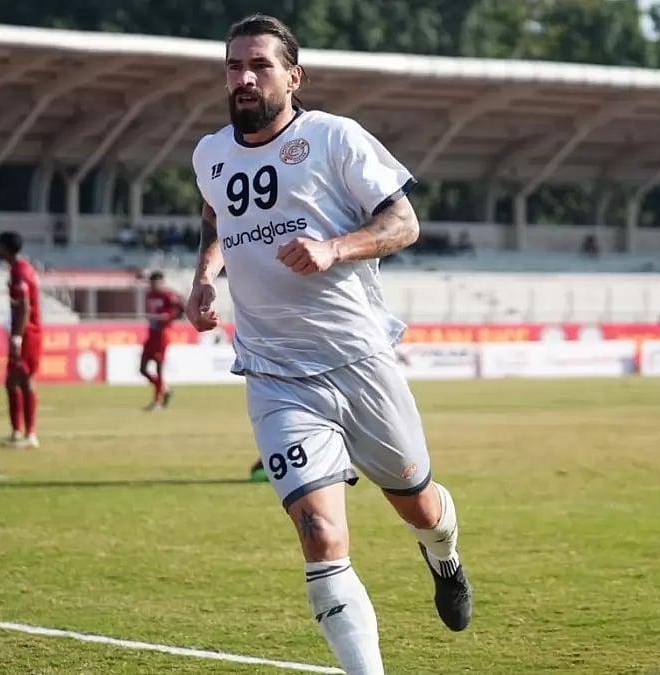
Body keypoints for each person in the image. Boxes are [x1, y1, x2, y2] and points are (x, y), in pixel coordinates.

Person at [186, 14, 472, 674]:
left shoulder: (334, 137)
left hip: (359, 360)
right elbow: (214, 215)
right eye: (234, 66)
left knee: (419, 503)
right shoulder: (210, 154)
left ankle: (444, 554)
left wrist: (334, 248)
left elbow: (404, 222)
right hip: (276, 373)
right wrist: (204, 277)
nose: (244, 78)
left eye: (259, 65)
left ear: (294, 76)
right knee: (319, 532)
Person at [0, 231, 42, 447]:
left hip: (28, 333)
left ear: (5, 248)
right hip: (23, 331)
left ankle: (30, 435)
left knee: (25, 380)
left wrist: (17, 338)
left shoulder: (21, 272)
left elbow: (25, 307)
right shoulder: (18, 269)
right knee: (12, 381)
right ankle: (17, 432)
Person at [140, 270, 182, 411]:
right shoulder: (150, 295)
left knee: (159, 368)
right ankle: (165, 389)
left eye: (156, 283)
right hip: (151, 335)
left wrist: (165, 318)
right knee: (143, 369)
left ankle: (157, 402)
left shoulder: (168, 296)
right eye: (152, 283)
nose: (153, 285)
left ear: (162, 283)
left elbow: (177, 310)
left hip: (162, 335)